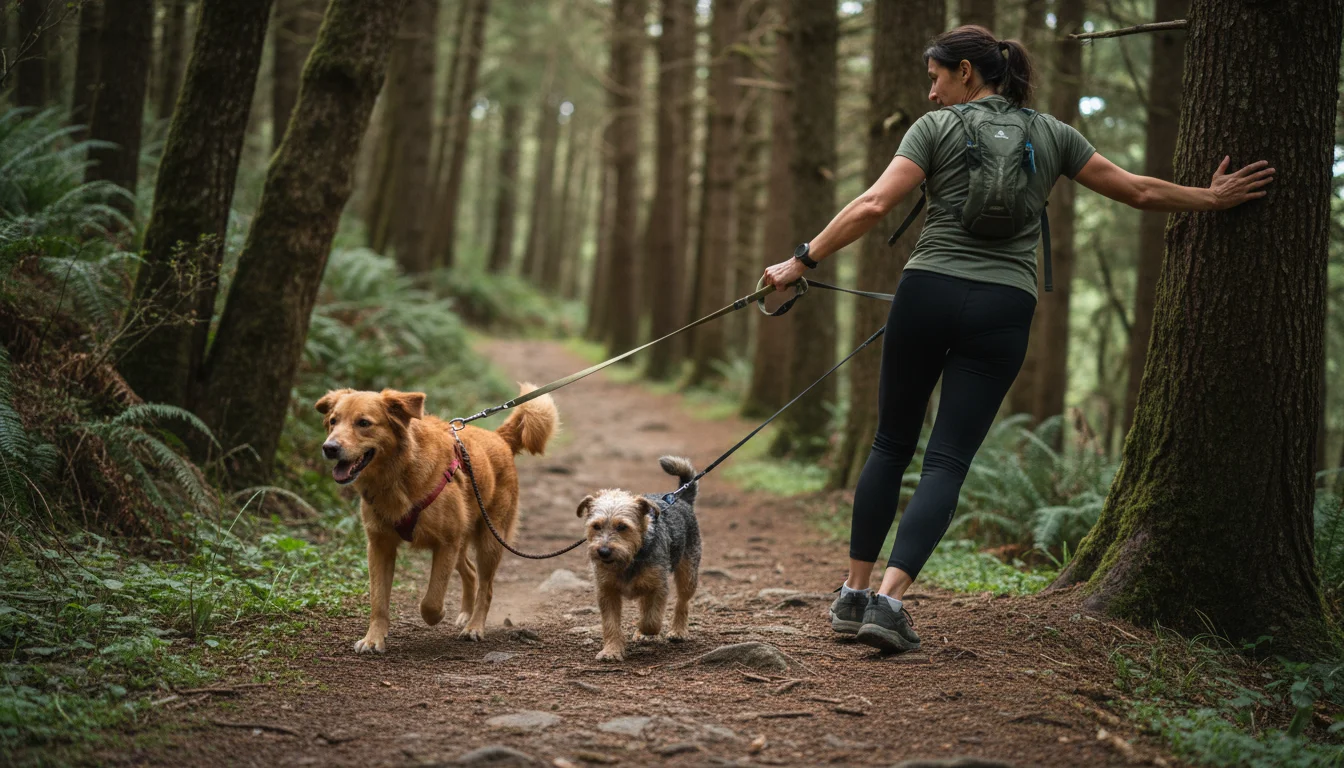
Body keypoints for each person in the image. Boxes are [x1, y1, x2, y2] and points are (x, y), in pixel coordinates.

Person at [761, 25, 1274, 653]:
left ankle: (853, 594)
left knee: (892, 444)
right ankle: (890, 601)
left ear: (969, 74)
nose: (931, 94)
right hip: (1005, 305)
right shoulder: (1052, 133)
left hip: (926, 292)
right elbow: (1136, 190)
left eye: (937, 78)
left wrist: (799, 263)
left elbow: (872, 206)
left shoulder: (934, 131)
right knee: (947, 460)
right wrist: (1212, 198)